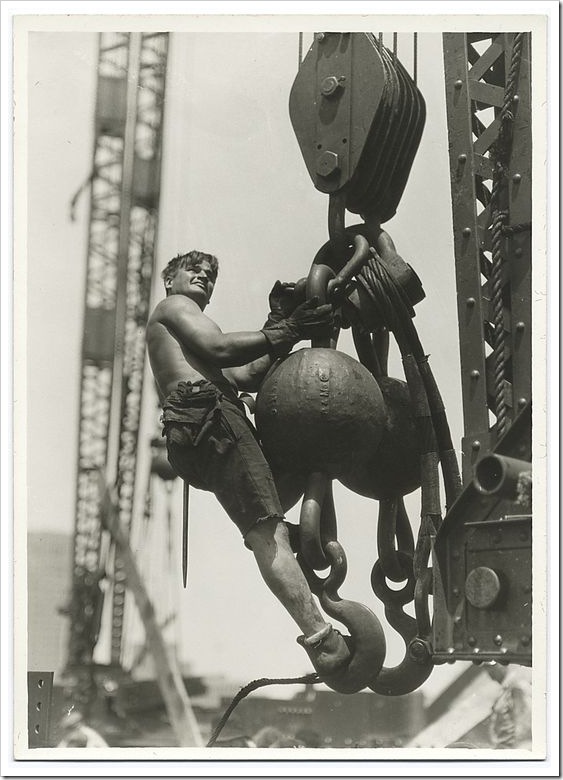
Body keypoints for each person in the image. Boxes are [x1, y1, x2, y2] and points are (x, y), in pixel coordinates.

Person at [146, 250, 352, 681]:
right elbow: (220, 348)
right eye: (193, 270)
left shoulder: (188, 349)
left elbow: (246, 375)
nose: (204, 276)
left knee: (290, 477)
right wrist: (289, 328)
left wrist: (282, 324)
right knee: (265, 532)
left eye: (210, 275)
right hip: (210, 418)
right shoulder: (174, 307)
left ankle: (287, 542)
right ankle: (323, 641)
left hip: (204, 429)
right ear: (169, 281)